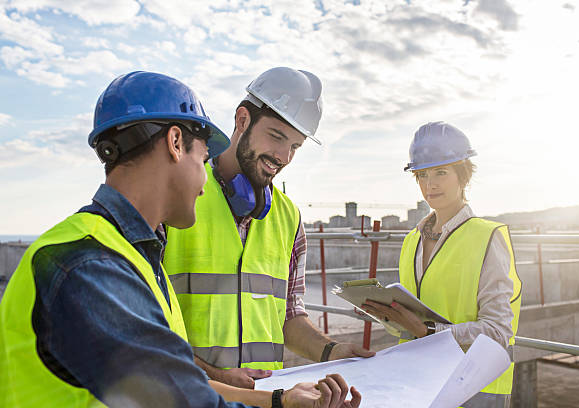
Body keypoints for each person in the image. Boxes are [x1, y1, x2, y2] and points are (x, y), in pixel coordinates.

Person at [0, 71, 361, 408]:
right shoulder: (92, 264)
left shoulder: (133, 253)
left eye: (295, 147)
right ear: (176, 143)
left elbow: (170, 373)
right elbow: (176, 395)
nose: (204, 183)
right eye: (203, 155)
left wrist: (278, 399)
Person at [163, 67, 375, 389]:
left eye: (294, 146)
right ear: (242, 120)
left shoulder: (288, 217)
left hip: (268, 398)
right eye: (276, 137)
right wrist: (214, 376)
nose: (283, 156)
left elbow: (290, 316)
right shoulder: (177, 197)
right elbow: (143, 323)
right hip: (188, 395)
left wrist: (332, 351)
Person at [361, 121, 522, 407]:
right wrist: (387, 315)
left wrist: (430, 333)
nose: (430, 184)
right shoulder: (412, 241)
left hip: (474, 387)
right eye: (422, 175)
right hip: (417, 384)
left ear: (464, 176)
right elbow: (411, 324)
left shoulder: (487, 237)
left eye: (441, 172)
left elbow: (498, 332)